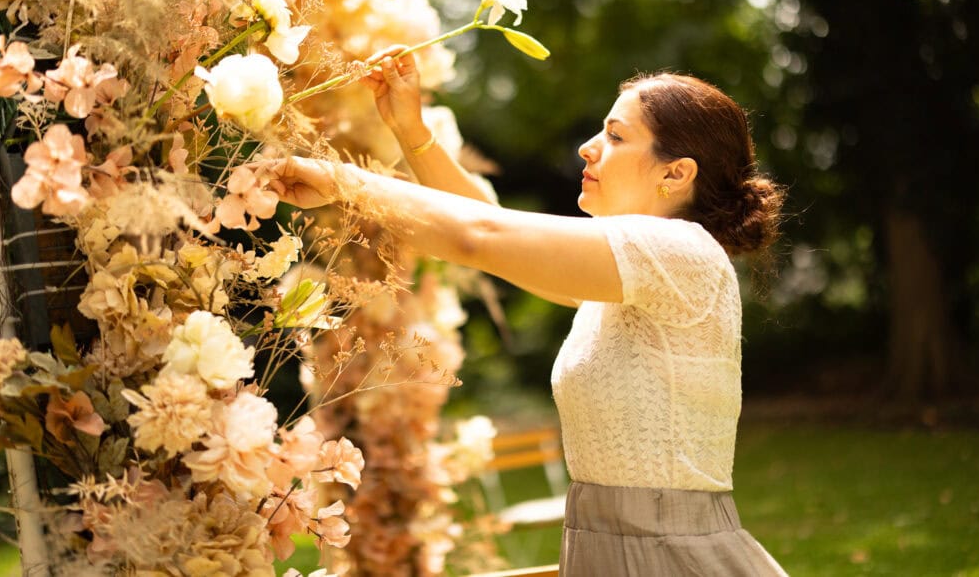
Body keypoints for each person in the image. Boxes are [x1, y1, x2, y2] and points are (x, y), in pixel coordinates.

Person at [265, 47, 789, 576]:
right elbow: (489, 222)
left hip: (668, 557)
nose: (588, 148)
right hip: (604, 548)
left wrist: (339, 182)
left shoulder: (680, 254)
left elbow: (479, 237)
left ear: (675, 174)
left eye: (615, 136)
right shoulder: (627, 275)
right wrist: (411, 129)